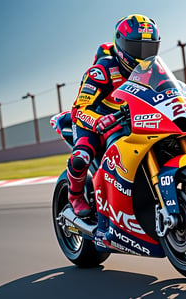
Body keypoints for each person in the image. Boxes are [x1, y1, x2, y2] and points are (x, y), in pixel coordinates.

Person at [67, 14, 161, 217]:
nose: (143, 55)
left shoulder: (154, 71)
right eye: (137, 48)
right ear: (121, 44)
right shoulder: (102, 70)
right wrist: (99, 120)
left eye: (150, 48)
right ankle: (75, 196)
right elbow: (79, 110)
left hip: (133, 119)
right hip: (95, 121)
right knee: (81, 157)